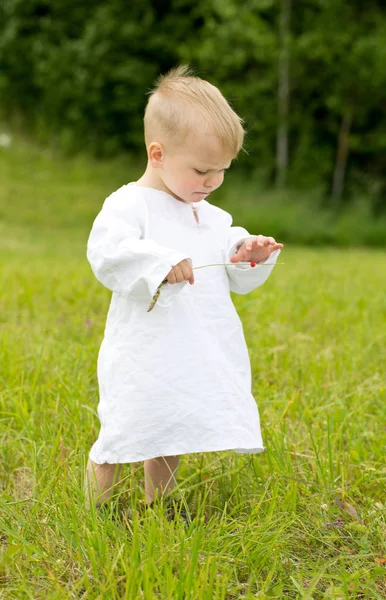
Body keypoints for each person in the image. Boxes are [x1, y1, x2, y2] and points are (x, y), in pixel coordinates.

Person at [84, 65, 283, 519]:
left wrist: (247, 250)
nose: (211, 181)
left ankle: (161, 504)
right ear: (157, 153)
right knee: (125, 427)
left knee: (172, 427)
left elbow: (231, 256)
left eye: (222, 171)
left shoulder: (208, 213)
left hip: (192, 347)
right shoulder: (130, 204)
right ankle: (96, 509)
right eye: (201, 170)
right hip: (144, 348)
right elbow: (109, 252)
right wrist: (158, 263)